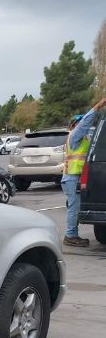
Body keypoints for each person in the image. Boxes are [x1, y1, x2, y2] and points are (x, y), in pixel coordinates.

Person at [61, 98, 106, 247]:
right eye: (79, 123)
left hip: (74, 178)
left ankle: (72, 234)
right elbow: (86, 122)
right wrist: (98, 106)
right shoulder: (74, 136)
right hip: (72, 178)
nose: (83, 126)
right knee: (74, 207)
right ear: (74, 125)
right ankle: (71, 235)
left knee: (74, 207)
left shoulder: (82, 139)